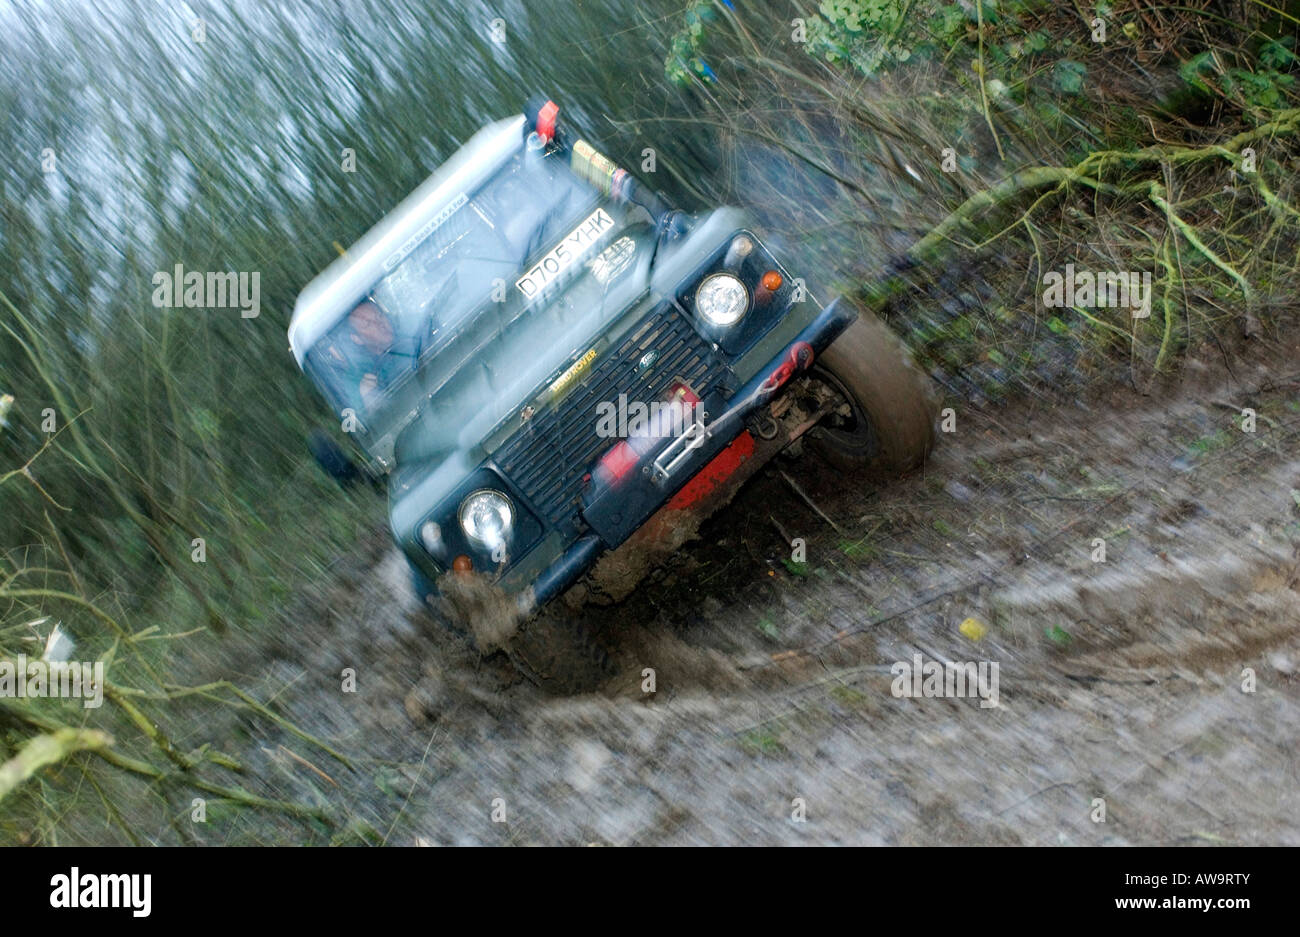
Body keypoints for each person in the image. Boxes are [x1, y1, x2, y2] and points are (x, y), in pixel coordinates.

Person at [321, 299, 424, 419]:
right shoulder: (355, 379)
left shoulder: (413, 331)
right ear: (357, 339)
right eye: (368, 324)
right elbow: (367, 427)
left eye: (379, 315)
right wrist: (368, 400)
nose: (380, 324)